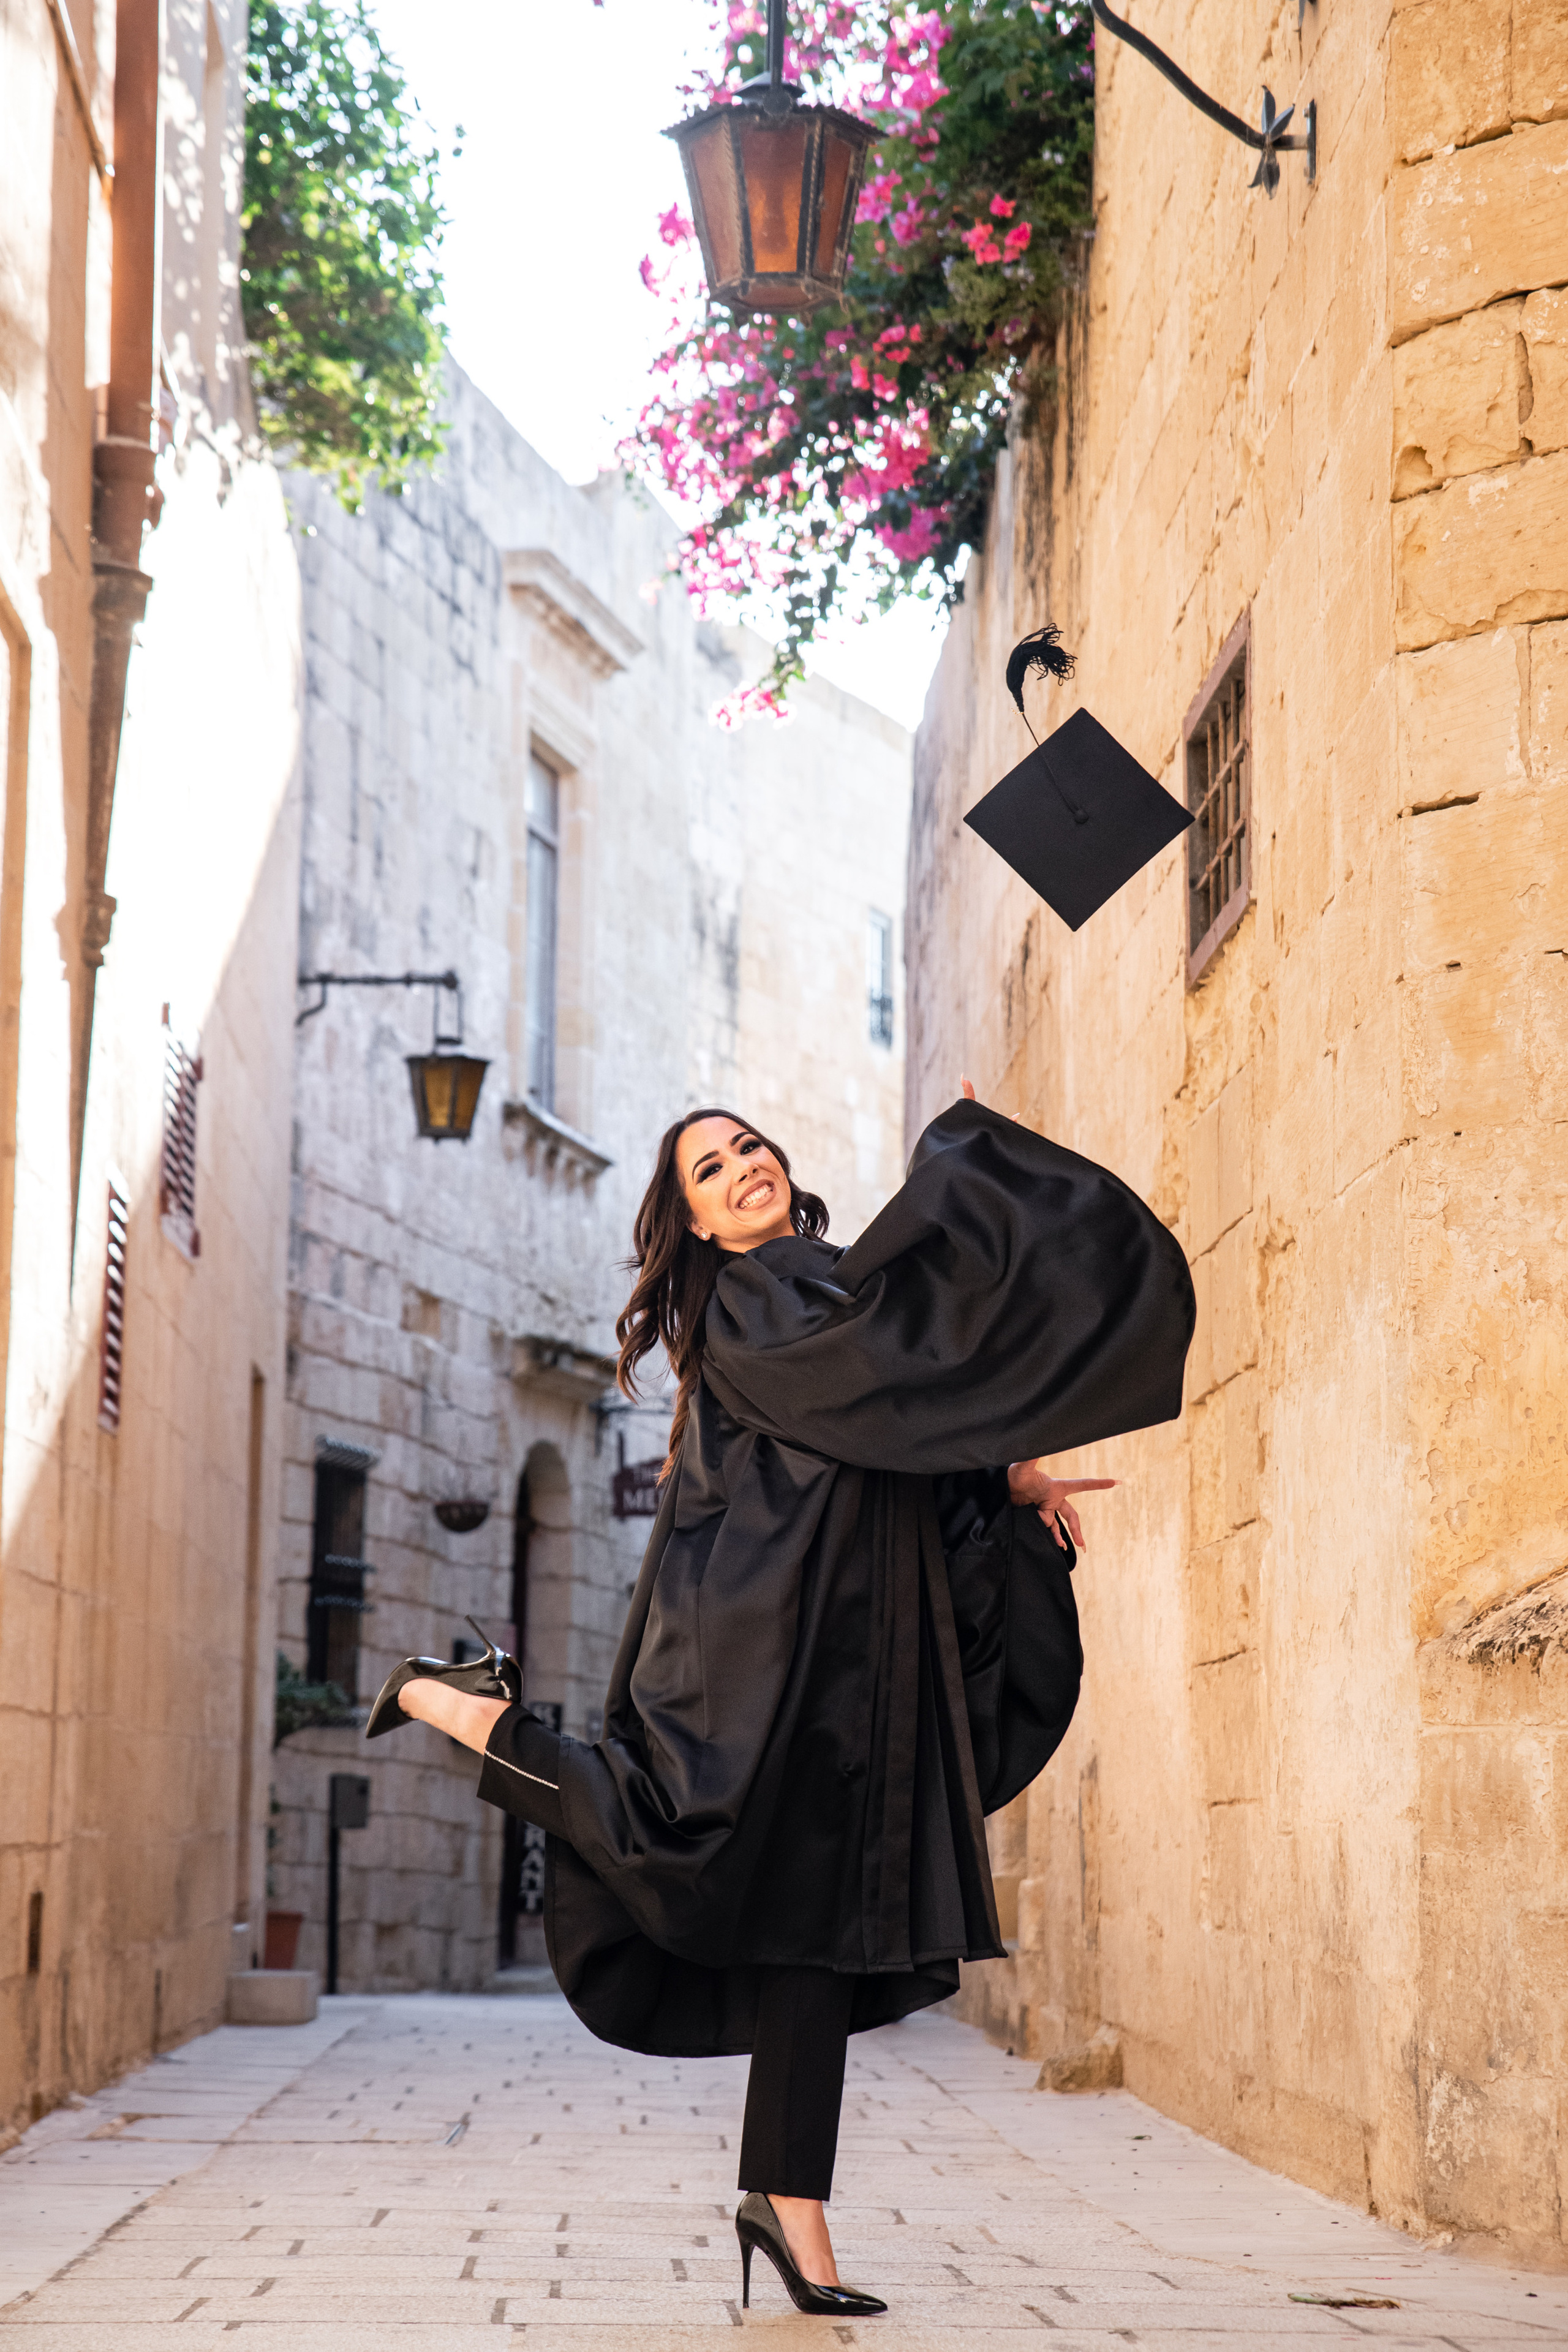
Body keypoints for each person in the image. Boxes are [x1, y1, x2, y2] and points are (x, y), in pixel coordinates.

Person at [368, 1086, 1195, 2316]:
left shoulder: (818, 1278)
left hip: (851, 1653)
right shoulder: (756, 1302)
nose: (741, 1169)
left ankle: (787, 2210)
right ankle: (467, 1713)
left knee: (820, 1924)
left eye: (748, 1148)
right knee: (677, 1835)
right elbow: (885, 1375)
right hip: (756, 1647)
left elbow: (900, 1406)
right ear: (693, 1223)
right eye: (710, 1169)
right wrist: (956, 1180)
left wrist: (1000, 1475)